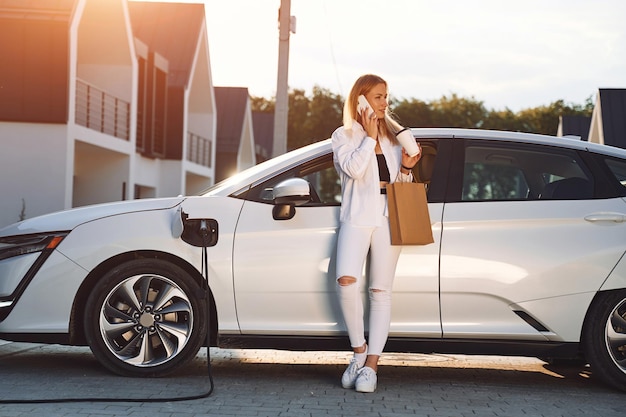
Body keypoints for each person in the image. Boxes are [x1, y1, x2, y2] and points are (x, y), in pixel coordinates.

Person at [331, 74, 421, 393]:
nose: (385, 102)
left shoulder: (396, 137)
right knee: (345, 281)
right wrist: (369, 137)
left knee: (380, 291)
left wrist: (408, 167)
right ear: (361, 99)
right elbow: (353, 171)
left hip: (389, 216)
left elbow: (401, 187)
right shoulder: (344, 135)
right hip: (357, 216)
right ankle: (358, 352)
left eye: (386, 96)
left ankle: (371, 366)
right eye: (379, 96)